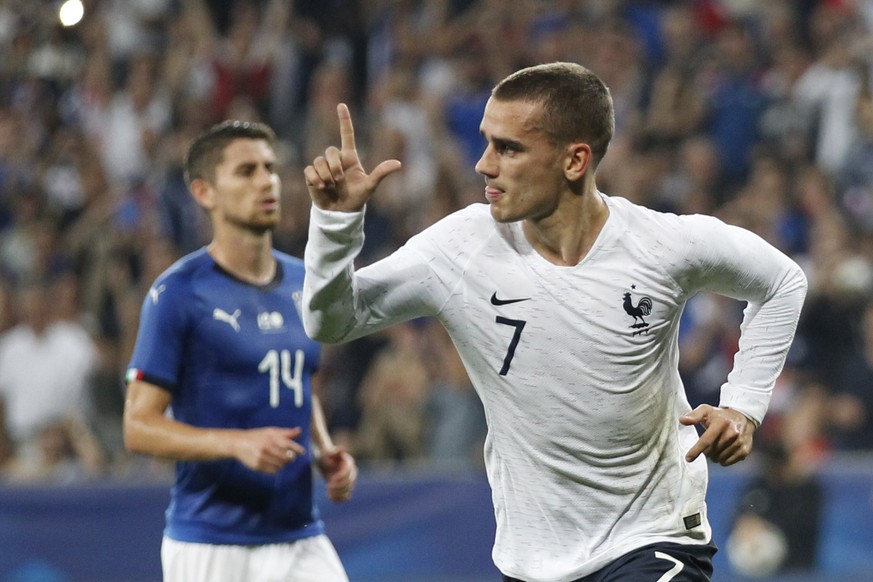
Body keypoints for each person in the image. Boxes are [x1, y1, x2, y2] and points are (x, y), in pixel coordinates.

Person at [301, 62, 808, 582]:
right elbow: (333, 322)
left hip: (653, 538)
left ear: (574, 161)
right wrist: (336, 227)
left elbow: (782, 282)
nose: (483, 165)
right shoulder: (458, 249)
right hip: (533, 560)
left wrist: (743, 408)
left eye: (509, 148)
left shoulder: (662, 246)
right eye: (485, 143)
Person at [123, 120, 357, 582]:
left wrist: (325, 450)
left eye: (270, 168)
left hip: (300, 536)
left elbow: (296, 380)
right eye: (246, 171)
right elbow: (138, 427)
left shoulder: (303, 281)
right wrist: (235, 445)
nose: (266, 181)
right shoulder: (179, 292)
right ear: (204, 192)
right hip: (212, 545)